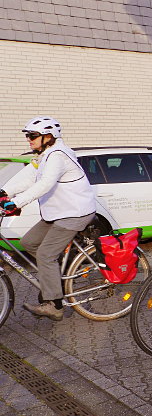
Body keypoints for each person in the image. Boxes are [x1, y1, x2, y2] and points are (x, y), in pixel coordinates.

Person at [0, 117, 96, 321]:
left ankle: (54, 305)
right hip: (58, 213)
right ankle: (53, 277)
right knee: (28, 242)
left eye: (33, 136)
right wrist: (4, 192)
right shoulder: (45, 155)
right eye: (28, 136)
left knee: (45, 254)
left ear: (48, 136)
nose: (29, 140)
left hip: (74, 213)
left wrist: (16, 203)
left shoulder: (58, 156)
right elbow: (28, 177)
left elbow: (45, 183)